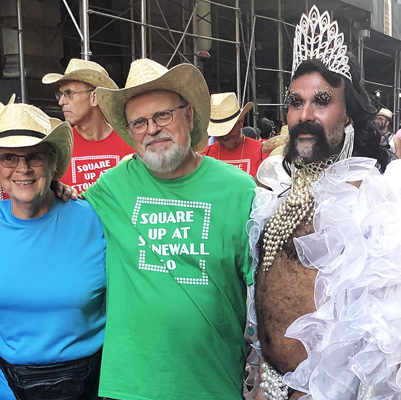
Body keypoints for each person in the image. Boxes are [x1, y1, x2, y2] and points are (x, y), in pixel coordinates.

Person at [251, 6, 401, 399]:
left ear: (349, 117)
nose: (304, 114)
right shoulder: (275, 196)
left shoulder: (369, 201)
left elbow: (384, 336)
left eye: (321, 101)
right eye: (295, 102)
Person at [90, 58, 256, 399]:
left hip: (213, 385)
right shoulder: (110, 188)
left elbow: (266, 298)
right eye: (139, 122)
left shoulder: (242, 191)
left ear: (190, 116)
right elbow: (57, 216)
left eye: (162, 115)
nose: (152, 129)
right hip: (130, 389)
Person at [0, 103, 106, 400]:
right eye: (8, 158)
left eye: (34, 156)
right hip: (9, 383)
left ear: (53, 163)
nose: (22, 168)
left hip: (90, 381)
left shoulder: (92, 217)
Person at [43, 58, 134, 192]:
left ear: (94, 97)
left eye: (69, 94)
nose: (61, 102)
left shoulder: (130, 142)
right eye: (60, 95)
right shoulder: (59, 147)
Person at [202, 92, 265, 176]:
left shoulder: (261, 152)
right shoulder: (205, 156)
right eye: (219, 131)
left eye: (228, 129)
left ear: (241, 122)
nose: (224, 136)